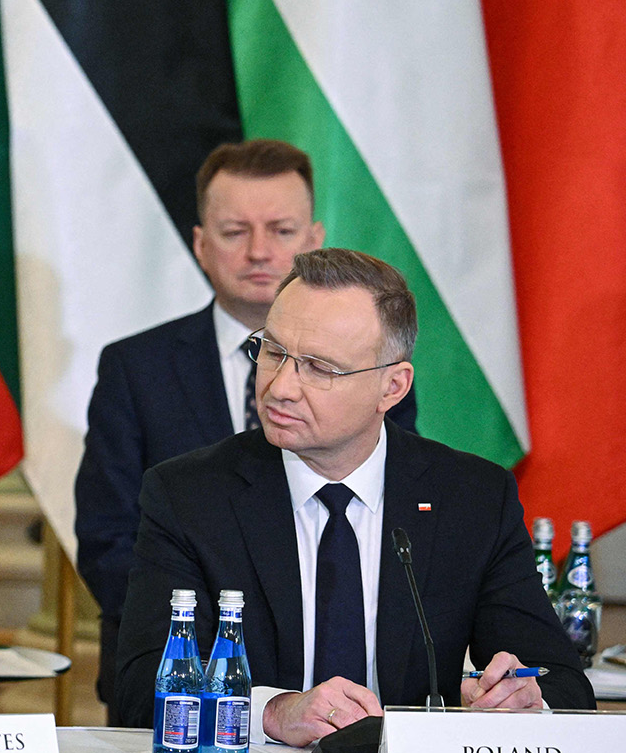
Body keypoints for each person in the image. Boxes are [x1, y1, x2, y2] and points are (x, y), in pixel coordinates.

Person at [113, 249, 591, 743]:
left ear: (392, 387)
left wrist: (523, 700)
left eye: (319, 368)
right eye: (273, 352)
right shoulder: (189, 495)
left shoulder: (471, 499)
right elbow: (138, 689)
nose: (281, 388)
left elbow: (563, 683)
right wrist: (271, 713)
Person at [76, 140, 418, 717]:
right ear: (200, 244)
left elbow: (390, 508)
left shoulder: (371, 370)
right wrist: (231, 661)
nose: (259, 252)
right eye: (235, 231)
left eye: (281, 231)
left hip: (348, 687)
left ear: (314, 240)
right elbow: (108, 538)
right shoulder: (136, 367)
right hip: (175, 683)